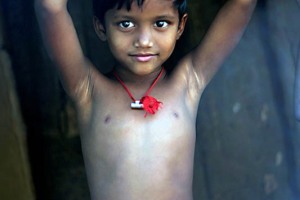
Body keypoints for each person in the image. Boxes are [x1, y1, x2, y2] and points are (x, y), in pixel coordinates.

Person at [35, 0, 257, 199]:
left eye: (160, 23)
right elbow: (50, 9)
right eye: (126, 24)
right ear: (101, 26)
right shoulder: (88, 91)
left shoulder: (189, 83)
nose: (143, 41)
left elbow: (242, 5)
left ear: (180, 26)